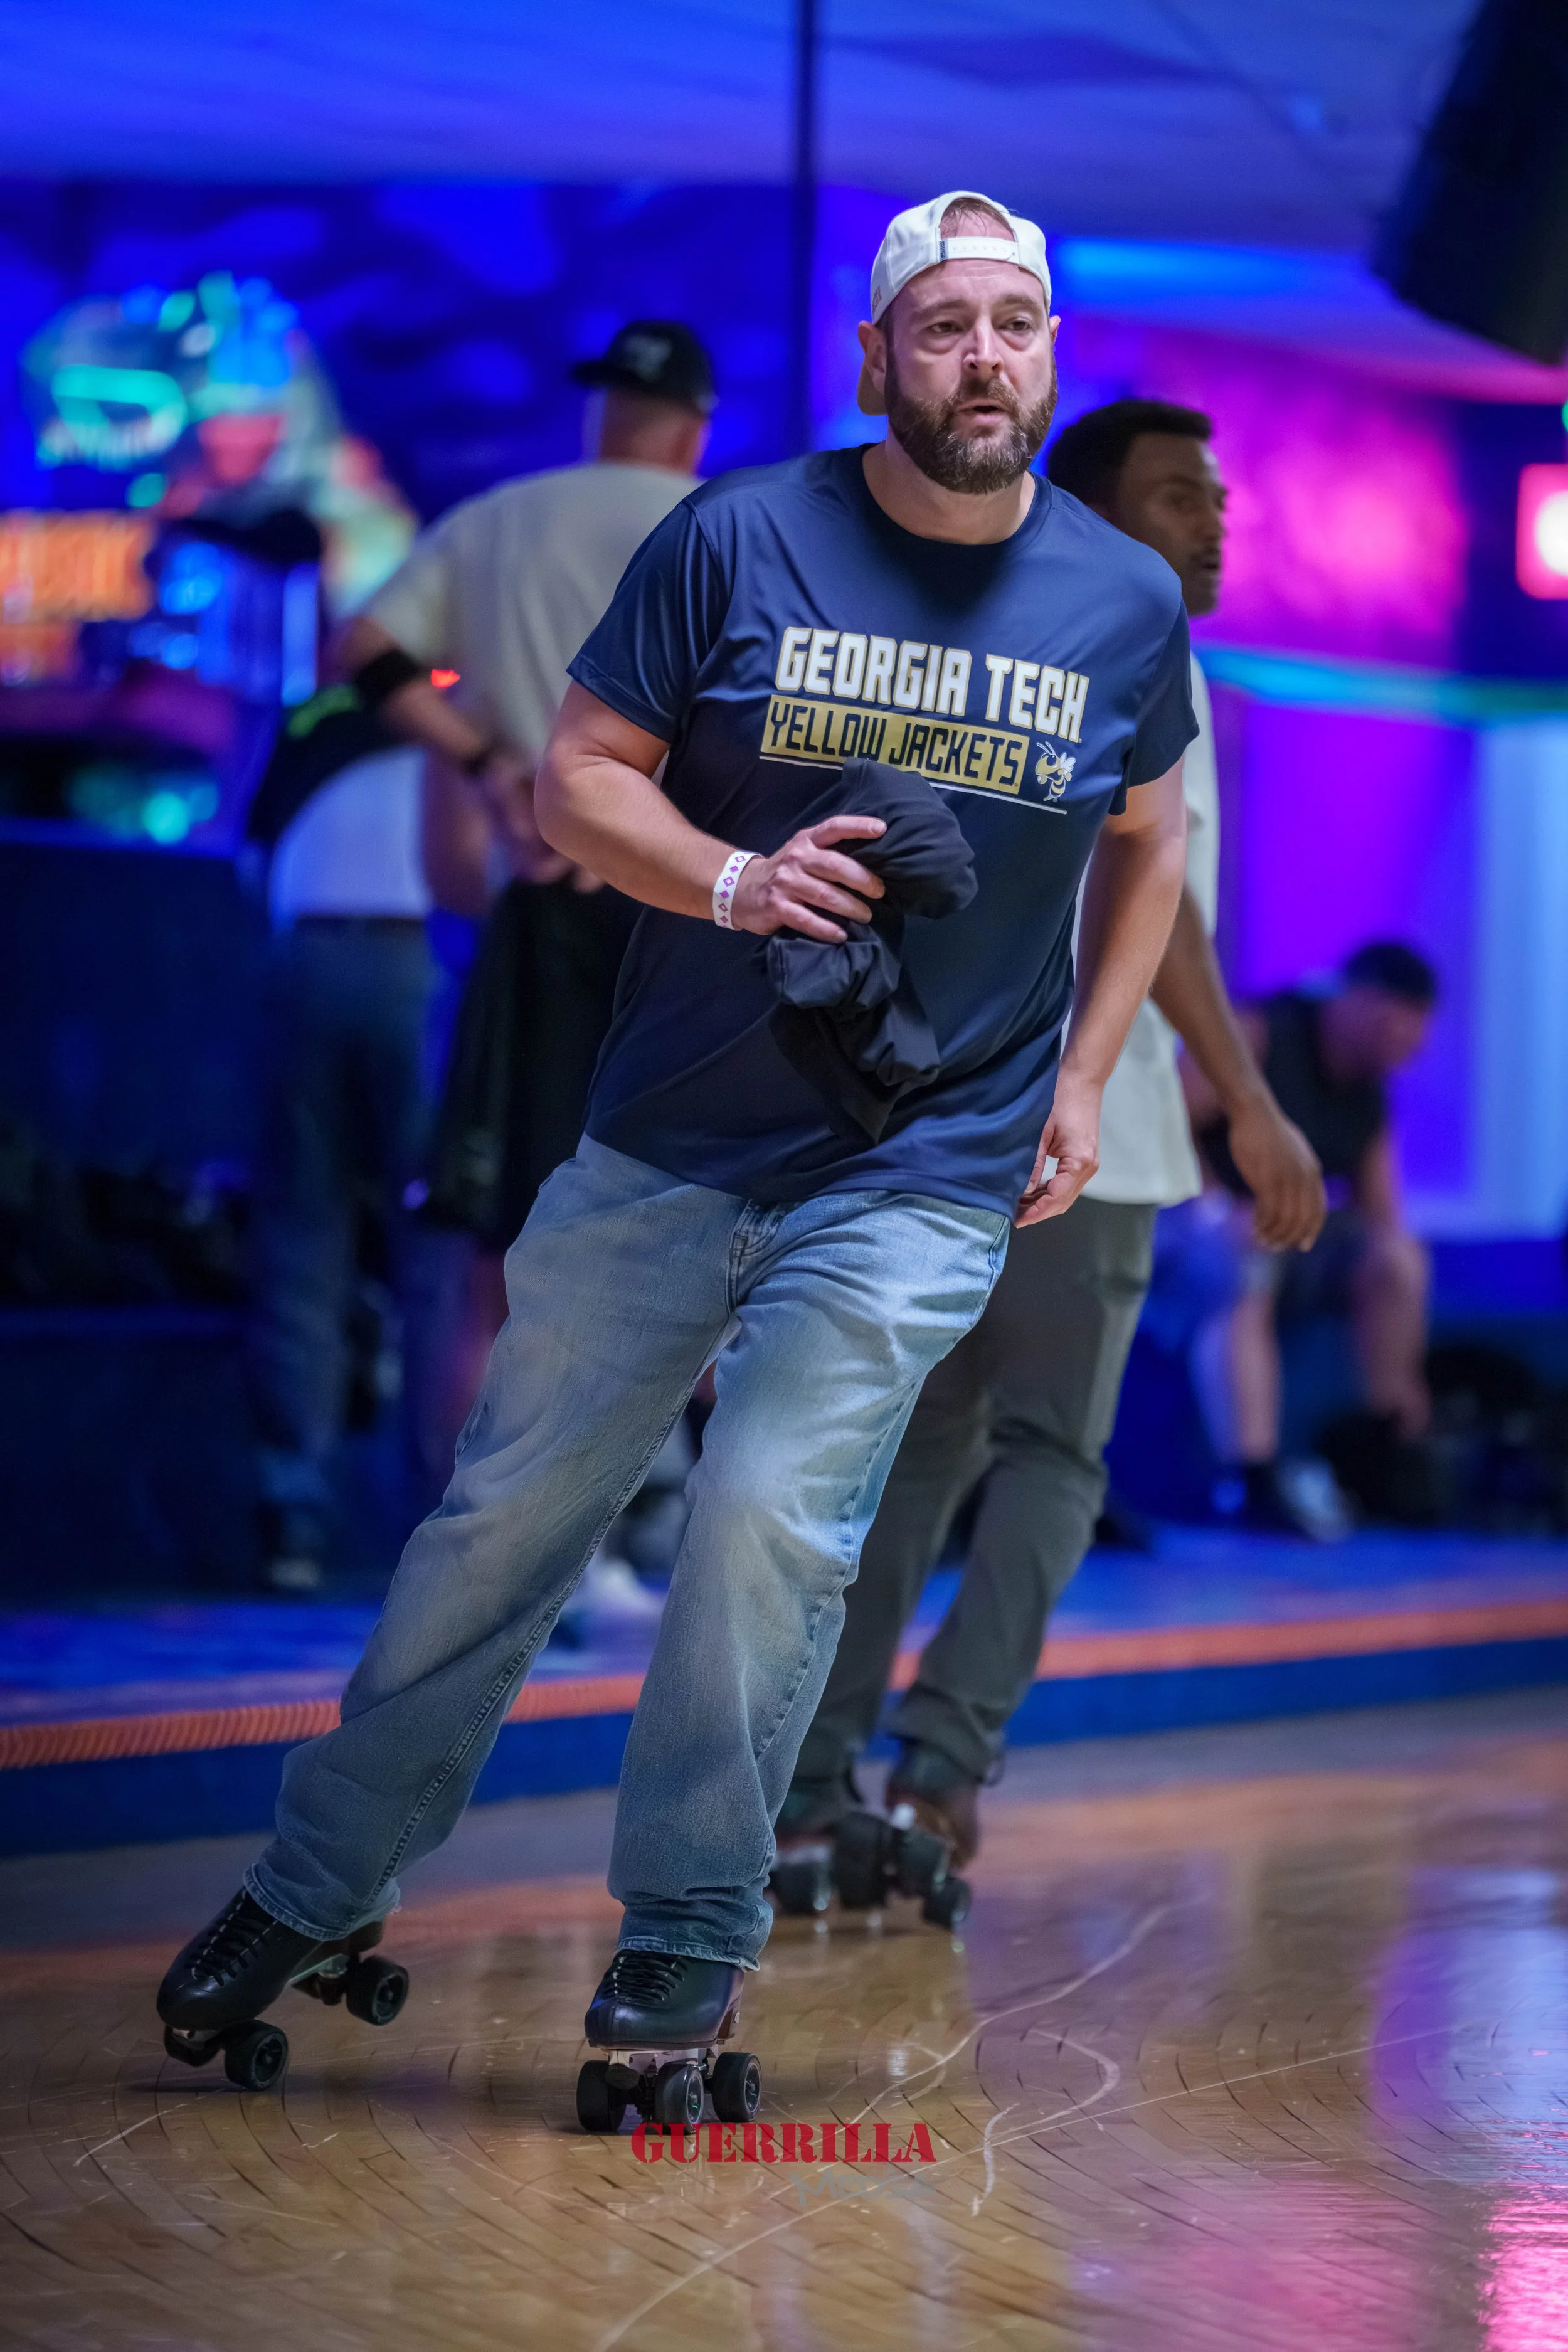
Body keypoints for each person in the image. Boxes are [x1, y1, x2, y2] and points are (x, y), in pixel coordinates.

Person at [159, 189, 1196, 2079]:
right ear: (877, 356)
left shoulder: (1120, 602)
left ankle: (691, 1927)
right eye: (943, 324)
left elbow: (1147, 833)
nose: (982, 357)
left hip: (920, 1164)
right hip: (668, 1132)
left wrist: (1077, 1071)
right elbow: (572, 778)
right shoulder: (734, 536)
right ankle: (321, 1875)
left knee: (763, 1516)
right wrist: (730, 881)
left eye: (1015, 327)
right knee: (501, 1526)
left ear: (1047, 357)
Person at [781, 397, 1325, 1864]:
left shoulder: (992, 640)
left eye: (1215, 494)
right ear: (1094, 514)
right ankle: (944, 1764)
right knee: (1050, 1456)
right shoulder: (1144, 643)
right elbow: (1158, 906)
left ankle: (813, 1783)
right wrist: (1255, 1102)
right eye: (1175, 496)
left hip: (930, 1120)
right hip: (1089, 1130)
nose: (1212, 520)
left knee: (917, 1454)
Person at [337, 321, 717, 1621]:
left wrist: (497, 767)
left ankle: (499, 1556)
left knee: (510, 1248)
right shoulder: (730, 525)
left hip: (542, 915)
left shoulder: (502, 518)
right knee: (651, 1243)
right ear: (696, 426)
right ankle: (571, 1551)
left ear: (602, 411)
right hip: (669, 917)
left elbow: (365, 653)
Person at [244, 687, 445, 1591]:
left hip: (306, 958)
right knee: (440, 1254)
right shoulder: (469, 711)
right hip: (425, 961)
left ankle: (295, 1516)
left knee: (302, 1240)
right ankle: (446, 1528)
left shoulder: (313, 716)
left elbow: (248, 853)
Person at [1185, 938, 1439, 1535]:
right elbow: (1167, 1121)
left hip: (1292, 1235)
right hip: (1198, 1226)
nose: (1398, 1042)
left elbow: (1383, 1211)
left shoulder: (1371, 1082)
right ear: (1353, 1001)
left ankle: (1389, 1438)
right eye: (1387, 1023)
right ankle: (1249, 1470)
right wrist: (1216, 1208)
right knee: (1249, 1256)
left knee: (1399, 1260)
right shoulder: (1260, 1033)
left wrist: (1387, 1249)